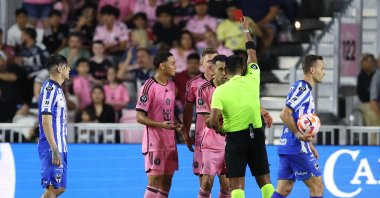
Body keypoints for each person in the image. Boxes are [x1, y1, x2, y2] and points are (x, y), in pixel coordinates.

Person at [208, 17, 275, 198]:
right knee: (266, 183)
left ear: (225, 70)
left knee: (237, 186)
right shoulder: (253, 78)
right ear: (243, 67)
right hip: (257, 135)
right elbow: (252, 53)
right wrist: (246, 30)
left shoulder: (220, 91)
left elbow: (213, 121)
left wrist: (221, 129)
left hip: (236, 138)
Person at [272, 54, 325, 198]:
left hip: (288, 146)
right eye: (322, 68)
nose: (324, 72)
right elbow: (284, 114)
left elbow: (295, 117)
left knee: (284, 189)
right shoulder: (303, 89)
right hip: (297, 147)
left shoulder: (298, 86)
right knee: (317, 186)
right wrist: (298, 134)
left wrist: (310, 144)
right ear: (312, 70)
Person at [135, 51, 181, 198]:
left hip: (170, 141)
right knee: (154, 182)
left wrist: (180, 127)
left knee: (167, 183)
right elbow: (139, 117)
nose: (176, 66)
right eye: (172, 63)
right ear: (162, 66)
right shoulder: (148, 86)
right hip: (154, 141)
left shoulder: (172, 85)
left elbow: (171, 110)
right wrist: (161, 124)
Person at [181, 48, 218, 182]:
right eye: (209, 61)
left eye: (216, 60)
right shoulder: (194, 84)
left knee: (227, 185)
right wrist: (186, 132)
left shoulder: (228, 83)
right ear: (202, 63)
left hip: (224, 137)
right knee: (205, 183)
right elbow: (188, 109)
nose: (213, 63)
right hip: (203, 138)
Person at [196, 55, 230, 197]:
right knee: (207, 183)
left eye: (226, 70)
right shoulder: (203, 89)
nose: (224, 73)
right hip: (211, 142)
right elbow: (208, 121)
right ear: (213, 69)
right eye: (220, 69)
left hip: (231, 142)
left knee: (227, 186)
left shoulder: (233, 87)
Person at [38, 54, 70, 198]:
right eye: (67, 66)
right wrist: (54, 148)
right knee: (51, 189)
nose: (69, 69)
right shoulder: (49, 89)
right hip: (53, 146)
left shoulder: (57, 89)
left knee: (60, 188)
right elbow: (46, 121)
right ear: (60, 68)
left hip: (60, 145)